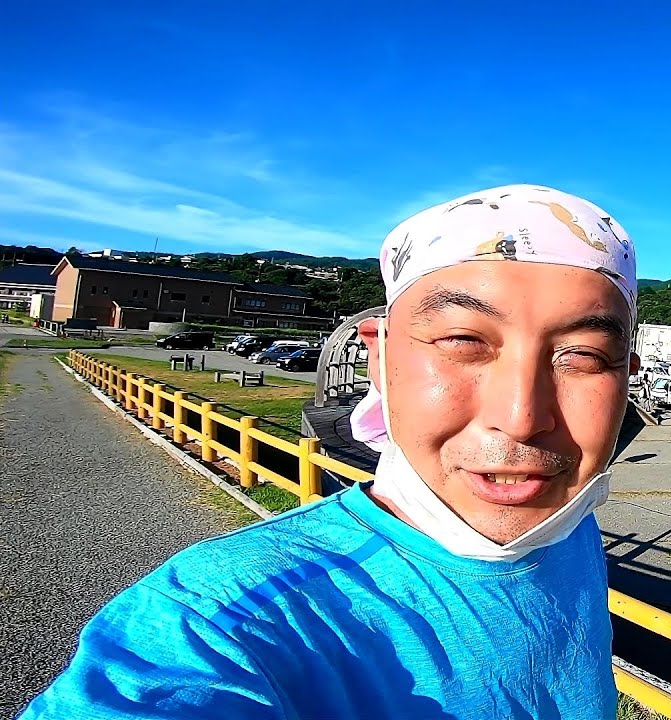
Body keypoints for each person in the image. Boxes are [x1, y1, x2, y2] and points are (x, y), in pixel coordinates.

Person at [20, 185, 639, 719]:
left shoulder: (565, 527)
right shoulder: (219, 618)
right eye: (462, 341)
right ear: (380, 356)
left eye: (582, 356)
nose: (523, 419)